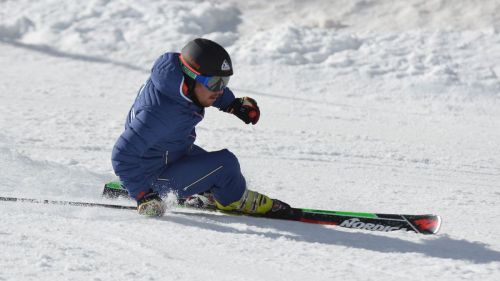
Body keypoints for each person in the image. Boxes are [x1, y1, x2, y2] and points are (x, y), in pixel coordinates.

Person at [111, 38, 290, 217]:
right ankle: (233, 200)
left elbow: (203, 90)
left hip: (168, 153)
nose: (220, 90)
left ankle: (208, 191)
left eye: (224, 81)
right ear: (191, 77)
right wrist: (143, 194)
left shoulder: (174, 80)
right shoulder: (159, 113)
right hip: (152, 176)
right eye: (214, 83)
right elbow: (122, 154)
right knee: (225, 165)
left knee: (217, 168)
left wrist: (232, 104)